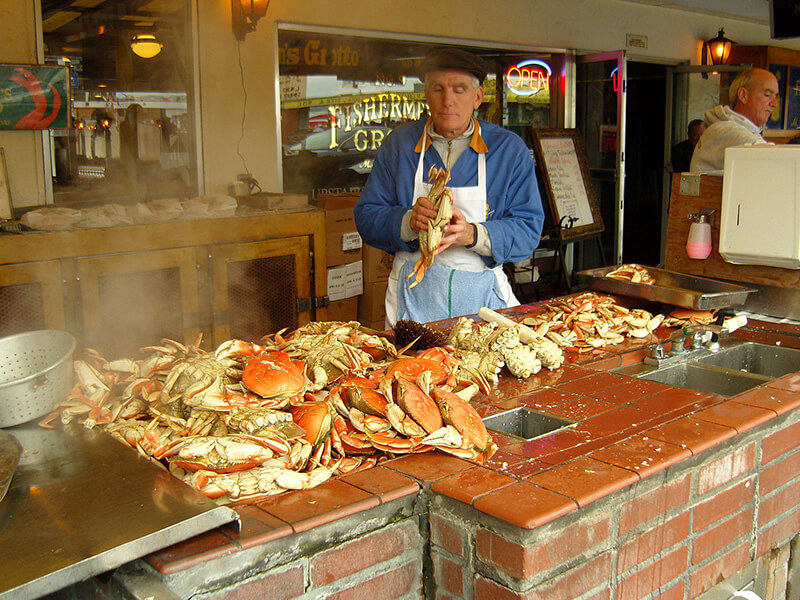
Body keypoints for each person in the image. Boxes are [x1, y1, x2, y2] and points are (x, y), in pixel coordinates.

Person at [354, 47, 544, 327]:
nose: (447, 100)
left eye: (459, 89)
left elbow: (528, 228)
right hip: (411, 302)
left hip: (483, 305)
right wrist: (408, 222)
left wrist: (472, 234)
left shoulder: (508, 149)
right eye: (437, 88)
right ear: (426, 94)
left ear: (477, 97)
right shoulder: (400, 144)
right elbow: (367, 215)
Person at [690, 68, 779, 173]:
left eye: (776, 96)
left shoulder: (740, 130)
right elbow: (777, 159)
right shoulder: (725, 130)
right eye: (767, 95)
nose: (774, 103)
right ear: (743, 95)